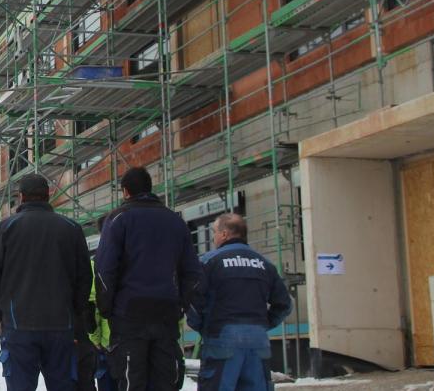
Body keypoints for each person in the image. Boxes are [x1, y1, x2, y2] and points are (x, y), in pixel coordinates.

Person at [95, 167, 202, 391]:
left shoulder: (118, 220)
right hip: (166, 313)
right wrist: (181, 303)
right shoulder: (175, 221)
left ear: (125, 191)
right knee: (165, 380)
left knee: (131, 380)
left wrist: (107, 309)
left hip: (129, 314)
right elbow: (192, 271)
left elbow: (105, 269)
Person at [0, 173, 91, 391]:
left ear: (21, 197)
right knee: (62, 384)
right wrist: (75, 310)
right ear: (48, 195)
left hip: (17, 322)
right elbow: (84, 276)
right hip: (61, 323)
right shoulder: (71, 228)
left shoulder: (6, 229)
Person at [188, 213, 292, 391]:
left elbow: (191, 301)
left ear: (224, 234)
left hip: (221, 340)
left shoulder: (208, 262)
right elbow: (284, 304)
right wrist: (263, 324)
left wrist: (204, 326)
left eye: (214, 232)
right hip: (258, 342)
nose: (213, 237)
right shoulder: (265, 264)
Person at [76, 257, 112, 391]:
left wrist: (95, 338)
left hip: (103, 343)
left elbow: (90, 309)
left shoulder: (89, 265)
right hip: (124, 337)